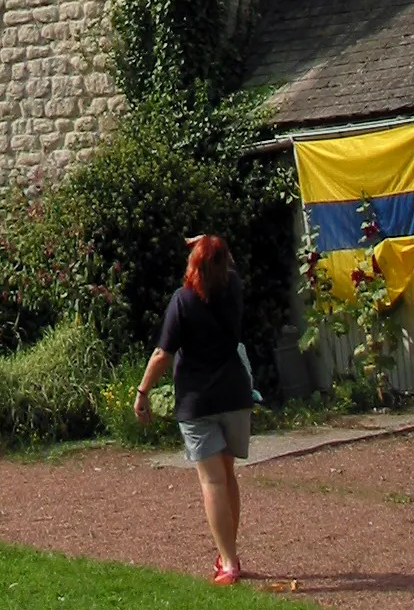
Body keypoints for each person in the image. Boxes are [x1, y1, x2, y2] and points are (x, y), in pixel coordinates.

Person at [134, 234, 252, 587]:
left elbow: (162, 354)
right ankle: (229, 554)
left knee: (212, 480)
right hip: (234, 394)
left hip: (198, 402)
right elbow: (229, 267)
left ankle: (228, 562)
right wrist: (217, 244)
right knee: (227, 475)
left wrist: (142, 392)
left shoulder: (183, 301)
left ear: (193, 265)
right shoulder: (233, 289)